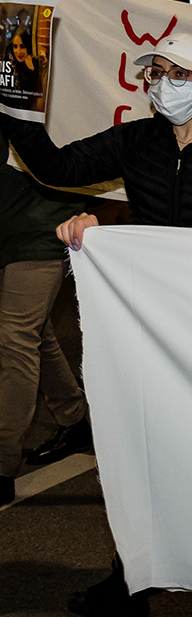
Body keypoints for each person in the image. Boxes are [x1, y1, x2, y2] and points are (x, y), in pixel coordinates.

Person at [17, 0, 192, 617]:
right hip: (149, 323)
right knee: (137, 450)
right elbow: (57, 166)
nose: (164, 84)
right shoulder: (138, 138)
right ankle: (131, 580)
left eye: (179, 75)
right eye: (158, 72)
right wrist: (15, 104)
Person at [0, 116, 88, 506]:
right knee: (34, 331)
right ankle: (73, 417)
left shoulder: (45, 68)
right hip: (8, 220)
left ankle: (2, 466)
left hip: (42, 226)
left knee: (14, 338)